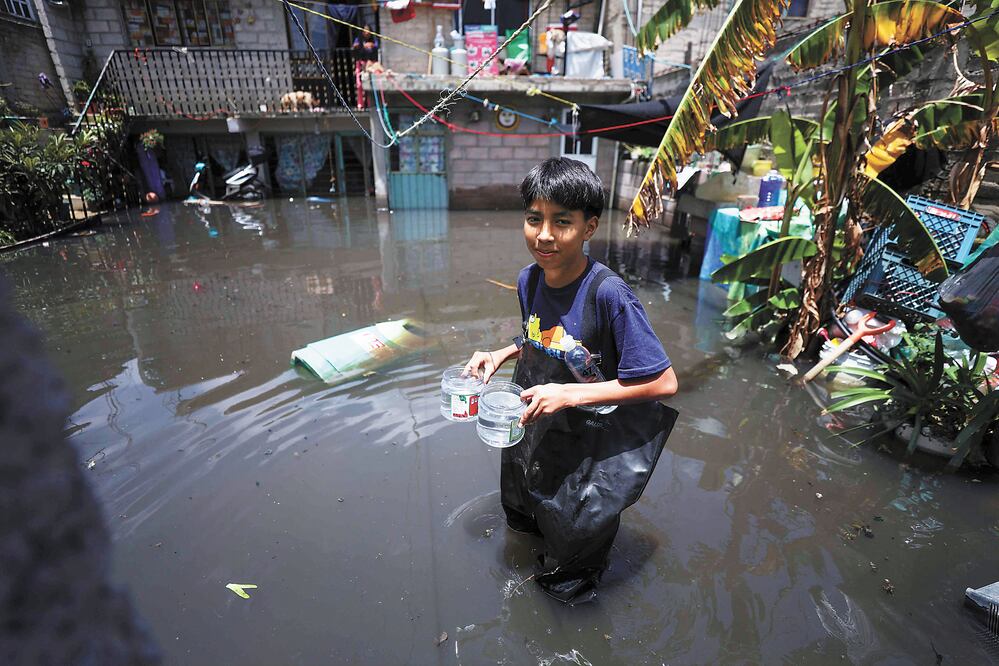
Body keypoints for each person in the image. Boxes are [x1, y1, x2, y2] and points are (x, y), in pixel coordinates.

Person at [463, 157, 679, 602]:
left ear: (589, 227)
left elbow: (663, 382)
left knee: (570, 577)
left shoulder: (608, 293)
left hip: (589, 449)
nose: (544, 235)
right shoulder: (529, 280)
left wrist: (569, 393)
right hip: (534, 431)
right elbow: (543, 338)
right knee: (521, 523)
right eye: (534, 219)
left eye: (561, 221)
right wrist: (500, 353)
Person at [352, 25, 379, 110]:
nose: (366, 32)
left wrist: (371, 45)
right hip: (361, 64)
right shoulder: (359, 39)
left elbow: (376, 46)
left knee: (370, 83)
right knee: (359, 84)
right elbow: (355, 46)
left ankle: (369, 103)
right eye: (364, 31)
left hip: (370, 64)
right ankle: (360, 104)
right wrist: (361, 46)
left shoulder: (373, 40)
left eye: (368, 30)